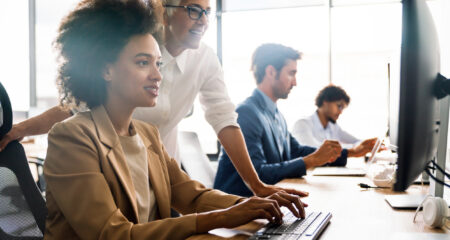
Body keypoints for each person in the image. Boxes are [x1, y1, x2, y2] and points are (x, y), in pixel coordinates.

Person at [43, 1, 306, 239]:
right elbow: (112, 234)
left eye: (158, 63)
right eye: (143, 62)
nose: (157, 75)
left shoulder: (147, 134)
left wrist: (247, 205)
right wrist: (223, 217)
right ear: (106, 69)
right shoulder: (71, 138)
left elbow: (191, 196)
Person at [214, 43, 372, 196]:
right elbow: (258, 174)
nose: (295, 82)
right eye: (291, 73)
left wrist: (351, 152)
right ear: (270, 72)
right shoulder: (246, 113)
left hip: (266, 202)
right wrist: (311, 160)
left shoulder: (276, 114)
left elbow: (296, 151)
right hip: (238, 208)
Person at [292, 85, 376, 151]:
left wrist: (369, 145)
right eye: (339, 106)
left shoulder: (333, 127)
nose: (340, 112)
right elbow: (313, 151)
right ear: (325, 102)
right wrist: (354, 149)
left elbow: (356, 142)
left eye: (342, 108)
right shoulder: (303, 124)